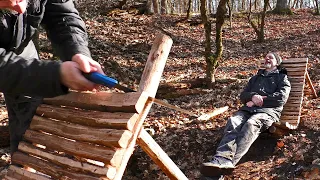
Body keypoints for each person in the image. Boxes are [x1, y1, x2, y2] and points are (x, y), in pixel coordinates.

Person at [0, 0, 104, 154]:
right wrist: (55, 75)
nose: (21, 9)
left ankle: (24, 167)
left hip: (19, 45)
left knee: (30, 115)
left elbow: (61, 14)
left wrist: (77, 51)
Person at [200, 52, 291, 178]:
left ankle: (226, 165)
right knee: (233, 121)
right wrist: (252, 96)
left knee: (251, 124)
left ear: (277, 62)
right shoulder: (255, 78)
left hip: (268, 112)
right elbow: (243, 95)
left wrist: (259, 99)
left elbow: (281, 98)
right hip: (247, 110)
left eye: (270, 57)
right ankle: (221, 158)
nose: (267, 59)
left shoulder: (282, 78)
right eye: (265, 57)